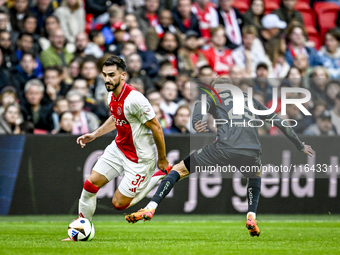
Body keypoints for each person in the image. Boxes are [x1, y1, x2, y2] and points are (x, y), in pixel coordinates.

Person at [125, 76, 315, 238]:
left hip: (224, 147)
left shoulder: (213, 96)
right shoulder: (249, 99)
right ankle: (251, 215)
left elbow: (199, 107)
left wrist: (197, 121)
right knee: (254, 176)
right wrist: (299, 145)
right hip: (252, 151)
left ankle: (151, 207)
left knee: (178, 169)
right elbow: (279, 121)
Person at [62, 55, 171, 241]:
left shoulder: (136, 99)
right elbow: (116, 117)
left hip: (140, 159)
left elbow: (156, 127)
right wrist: (94, 134)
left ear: (123, 75)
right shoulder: (111, 94)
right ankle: (81, 228)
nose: (107, 79)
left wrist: (162, 158)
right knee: (90, 185)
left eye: (111, 75)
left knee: (119, 204)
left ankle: (157, 176)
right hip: (119, 148)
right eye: (104, 75)